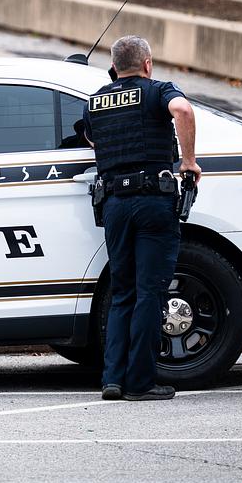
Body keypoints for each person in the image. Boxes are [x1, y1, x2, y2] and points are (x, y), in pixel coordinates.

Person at [84, 36, 200, 402]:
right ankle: (141, 382)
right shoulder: (158, 91)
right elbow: (183, 111)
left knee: (123, 292)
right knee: (150, 292)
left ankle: (112, 380)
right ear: (148, 63)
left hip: (114, 203)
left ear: (114, 66)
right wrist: (189, 162)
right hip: (152, 200)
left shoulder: (97, 100)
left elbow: (91, 137)